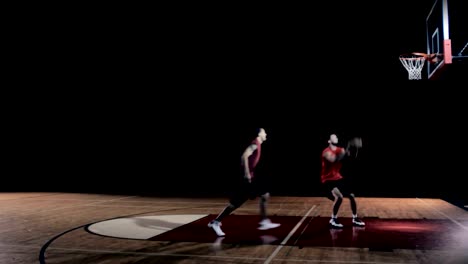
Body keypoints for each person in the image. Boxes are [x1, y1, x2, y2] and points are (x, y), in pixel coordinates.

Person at [208, 128, 280, 236]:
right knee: (242, 202)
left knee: (238, 203)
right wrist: (247, 173)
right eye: (264, 132)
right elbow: (244, 156)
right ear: (259, 134)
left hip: (249, 178)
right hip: (247, 179)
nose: (266, 134)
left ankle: (216, 222)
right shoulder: (255, 143)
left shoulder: (258, 144)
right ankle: (216, 222)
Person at [321, 134, 365, 228]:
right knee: (339, 197)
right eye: (333, 137)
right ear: (329, 141)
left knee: (352, 196)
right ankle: (333, 219)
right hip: (328, 180)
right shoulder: (326, 152)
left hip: (338, 178)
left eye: (336, 137)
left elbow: (349, 156)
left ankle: (355, 218)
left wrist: (350, 151)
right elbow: (333, 160)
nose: (335, 138)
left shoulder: (339, 149)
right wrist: (344, 152)